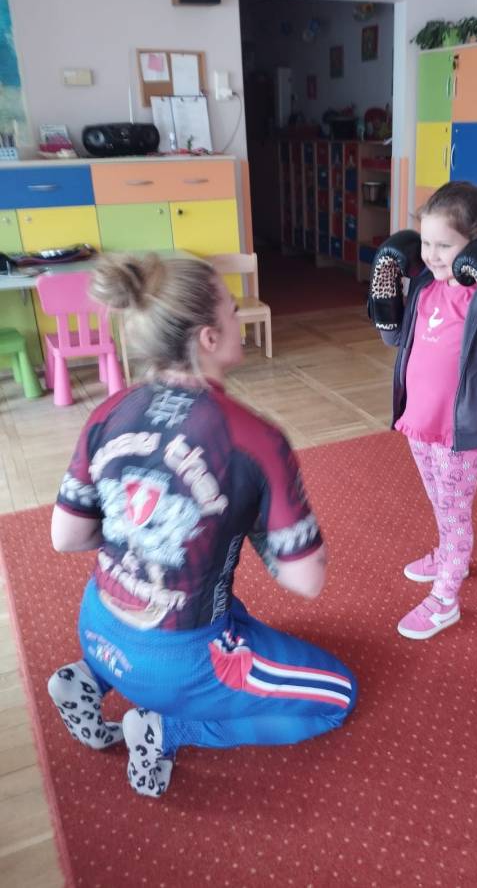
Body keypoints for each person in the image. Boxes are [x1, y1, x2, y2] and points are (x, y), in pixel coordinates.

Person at [47, 253, 357, 797]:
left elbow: (66, 537)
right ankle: (168, 729)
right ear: (209, 338)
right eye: (233, 311)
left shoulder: (107, 411)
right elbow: (305, 580)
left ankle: (91, 677)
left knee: (214, 588)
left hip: (98, 624)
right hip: (184, 661)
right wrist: (256, 524)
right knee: (337, 696)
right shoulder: (255, 440)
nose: (239, 318)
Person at [368, 181, 477, 640]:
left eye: (444, 245)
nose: (431, 255)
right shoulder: (425, 284)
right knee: (440, 500)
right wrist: (386, 292)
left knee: (455, 512)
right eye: (426, 242)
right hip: (420, 421)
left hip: (459, 429)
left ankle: (446, 599)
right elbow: (395, 338)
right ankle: (446, 554)